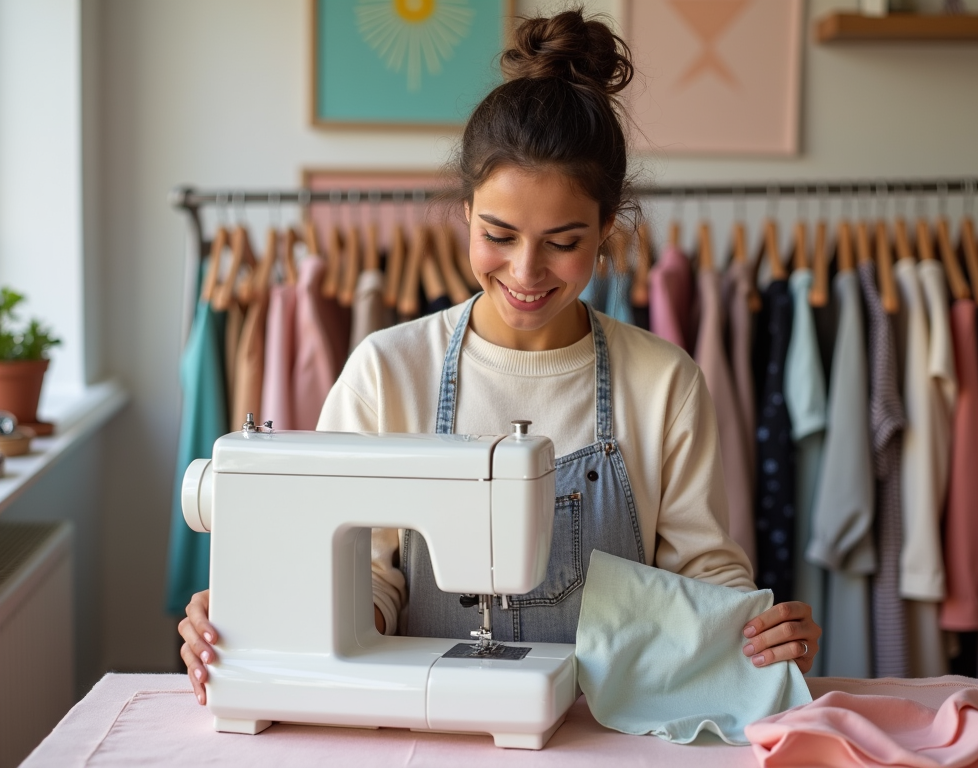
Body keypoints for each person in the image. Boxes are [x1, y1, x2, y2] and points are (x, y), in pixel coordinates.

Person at [179, 9, 821, 706]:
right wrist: (265, 622)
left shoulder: (665, 383)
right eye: (500, 234)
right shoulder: (386, 372)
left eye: (564, 240)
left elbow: (702, 577)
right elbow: (362, 576)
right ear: (465, 210)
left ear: (608, 228)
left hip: (598, 733)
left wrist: (757, 632)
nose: (526, 269)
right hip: (424, 727)